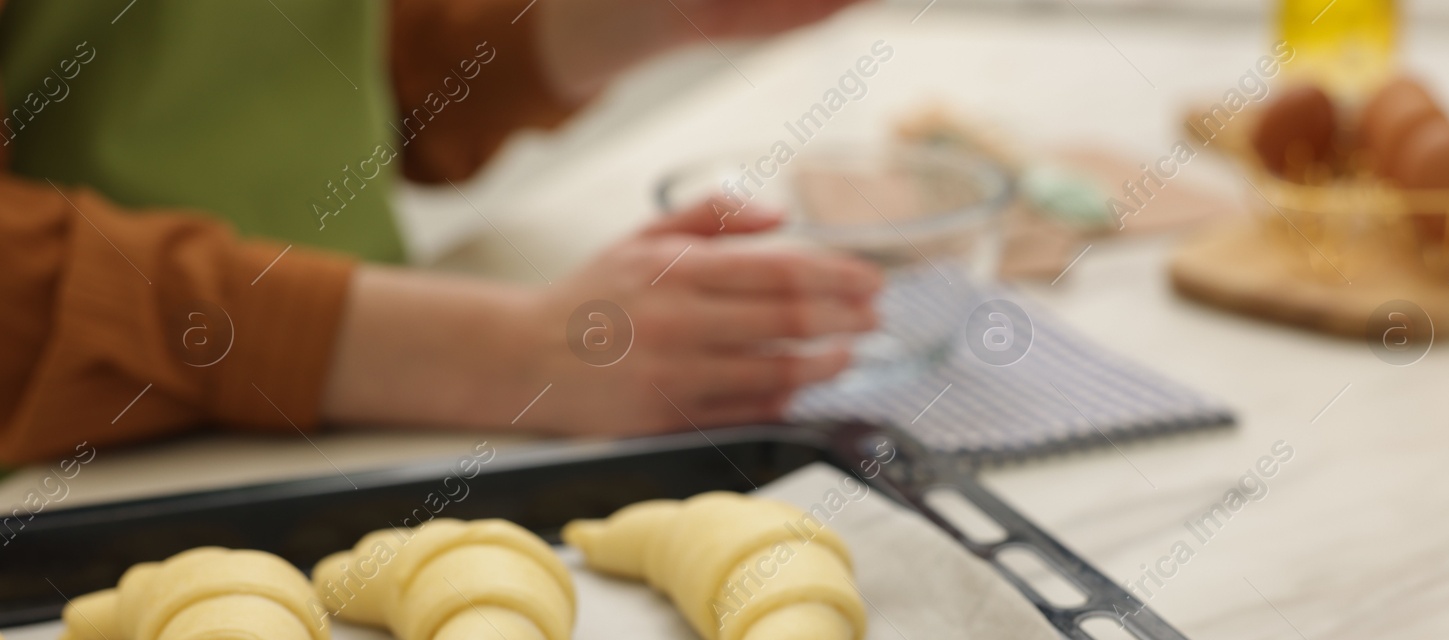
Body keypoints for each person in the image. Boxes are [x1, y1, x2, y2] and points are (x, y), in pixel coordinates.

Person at [0, 0, 881, 465]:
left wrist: (654, 11)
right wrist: (504, 353)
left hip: (356, 426)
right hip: (79, 476)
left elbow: (341, 62)